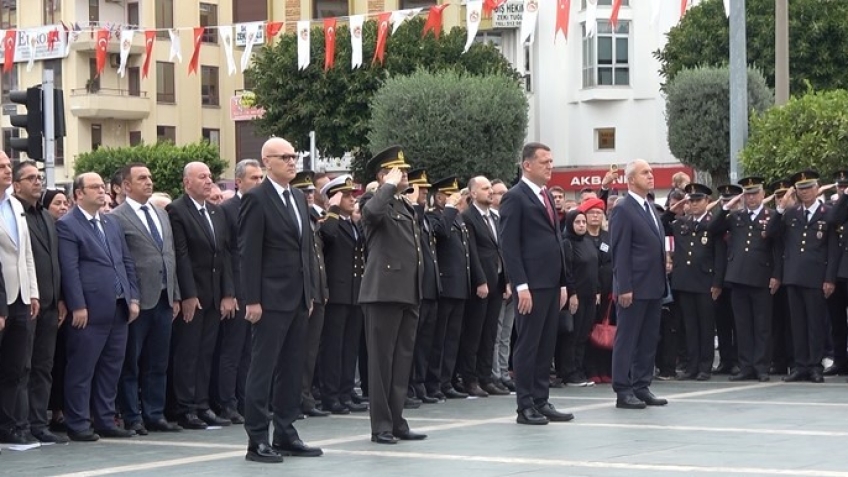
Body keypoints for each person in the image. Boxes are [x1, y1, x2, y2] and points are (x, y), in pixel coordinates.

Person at [240, 137, 322, 463]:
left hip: (298, 297)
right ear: (266, 162)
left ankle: (286, 432)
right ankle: (257, 439)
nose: (292, 162)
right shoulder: (256, 199)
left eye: (294, 156)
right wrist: (253, 299)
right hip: (269, 299)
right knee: (262, 370)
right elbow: (249, 253)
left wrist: (310, 292)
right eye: (285, 157)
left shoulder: (299, 198)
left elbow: (305, 250)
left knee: (292, 369)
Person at [56, 172, 140, 441]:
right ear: (78, 194)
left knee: (111, 366)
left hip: (118, 305)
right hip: (89, 309)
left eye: (102, 187)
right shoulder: (68, 225)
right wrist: (77, 305)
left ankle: (105, 419)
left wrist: (133, 297)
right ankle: (78, 422)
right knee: (82, 367)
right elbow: (69, 269)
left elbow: (125, 262)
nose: (102, 191)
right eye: (94, 187)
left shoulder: (110, 222)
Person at [499, 142, 573, 425]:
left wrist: (563, 283)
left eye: (552, 161)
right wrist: (520, 285)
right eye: (544, 161)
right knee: (528, 344)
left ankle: (541, 400)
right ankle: (525, 405)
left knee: (546, 344)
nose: (550, 166)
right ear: (527, 165)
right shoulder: (515, 197)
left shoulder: (545, 195)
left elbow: (556, 241)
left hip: (551, 283)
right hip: (531, 284)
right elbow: (509, 245)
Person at [358, 145, 427, 444]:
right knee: (381, 363)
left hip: (408, 290)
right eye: (400, 170)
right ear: (384, 175)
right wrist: (386, 186)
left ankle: (397, 420)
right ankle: (381, 426)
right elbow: (371, 214)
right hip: (383, 291)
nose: (406, 174)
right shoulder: (374, 201)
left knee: (401, 361)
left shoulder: (403, 205)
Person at [112, 163, 183, 435]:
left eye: (150, 177)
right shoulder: (117, 217)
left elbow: (170, 255)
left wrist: (175, 294)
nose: (149, 182)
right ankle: (133, 416)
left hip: (164, 298)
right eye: (142, 178)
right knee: (131, 362)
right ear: (126, 185)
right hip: (138, 301)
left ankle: (155, 413)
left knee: (158, 361)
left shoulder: (160, 214)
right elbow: (120, 260)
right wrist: (130, 297)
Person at [167, 162, 236, 430]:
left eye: (210, 176)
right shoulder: (177, 211)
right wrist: (188, 294)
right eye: (202, 177)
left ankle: (202, 403)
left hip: (215, 292)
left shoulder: (216, 212)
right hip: (193, 294)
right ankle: (185, 407)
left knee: (207, 352)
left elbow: (225, 254)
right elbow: (182, 255)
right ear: (187, 183)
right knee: (188, 352)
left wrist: (228, 292)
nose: (208, 181)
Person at [11, 162, 65, 444]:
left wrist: (61, 298)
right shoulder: (13, 213)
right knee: (23, 367)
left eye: (39, 177)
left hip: (50, 304)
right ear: (17, 185)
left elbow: (55, 260)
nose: (37, 182)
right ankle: (20, 424)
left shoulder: (45, 216)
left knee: (44, 366)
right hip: (25, 302)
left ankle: (38, 423)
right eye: (30, 178)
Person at [608, 159, 668, 410]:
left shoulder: (650, 207)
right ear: (631, 179)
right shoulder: (624, 208)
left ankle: (642, 385)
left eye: (651, 172)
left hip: (653, 285)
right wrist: (624, 286)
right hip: (633, 286)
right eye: (645, 173)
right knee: (628, 338)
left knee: (648, 338)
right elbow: (620, 251)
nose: (650, 176)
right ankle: (623, 388)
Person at [768, 170, 838, 383]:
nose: (805, 192)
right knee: (797, 325)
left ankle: (815, 366)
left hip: (816, 276)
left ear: (817, 188)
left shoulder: (828, 213)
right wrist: (780, 208)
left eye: (809, 188)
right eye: (801, 189)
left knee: (815, 324)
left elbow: (833, 249)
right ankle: (800, 365)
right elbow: (771, 233)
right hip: (793, 275)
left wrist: (830, 278)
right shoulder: (790, 213)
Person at [709, 177, 780, 382]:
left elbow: (777, 247)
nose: (751, 198)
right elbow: (713, 228)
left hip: (762, 277)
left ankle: (761, 366)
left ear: (762, 194)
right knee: (743, 326)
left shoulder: (771, 216)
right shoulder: (735, 217)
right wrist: (725, 208)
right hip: (738, 278)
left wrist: (776, 275)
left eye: (754, 193)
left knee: (762, 326)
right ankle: (746, 365)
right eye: (747, 194)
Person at [215, 159, 263, 423]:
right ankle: (228, 403)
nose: (258, 182)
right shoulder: (227, 209)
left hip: (257, 288)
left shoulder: (262, 205)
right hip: (237, 287)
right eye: (253, 178)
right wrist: (229, 292)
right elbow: (225, 253)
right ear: (239, 182)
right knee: (232, 351)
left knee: (251, 351)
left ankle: (246, 401)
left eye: (260, 178)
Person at [666, 183, 725, 381]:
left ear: (707, 201)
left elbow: (719, 256)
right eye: (690, 200)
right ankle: (692, 366)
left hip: (705, 282)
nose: (693, 204)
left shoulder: (712, 223)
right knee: (689, 327)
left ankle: (705, 366)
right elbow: (662, 223)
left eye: (698, 200)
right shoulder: (681, 222)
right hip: (685, 282)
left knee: (706, 326)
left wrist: (717, 283)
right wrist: (672, 209)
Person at [319, 175, 367, 414]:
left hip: (355, 293)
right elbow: (327, 236)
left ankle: (346, 391)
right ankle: (331, 394)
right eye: (346, 195)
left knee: (349, 347)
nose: (352, 200)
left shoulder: (352, 223)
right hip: (337, 294)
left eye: (352, 196)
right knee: (334, 347)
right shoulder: (331, 221)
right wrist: (334, 209)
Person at [0, 154, 39, 444]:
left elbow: (25, 253)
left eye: (7, 166)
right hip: (1, 296)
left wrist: (33, 291)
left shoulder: (15, 205)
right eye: (1, 167)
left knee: (15, 366)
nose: (6, 170)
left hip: (21, 296)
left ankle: (10, 425)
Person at [460, 176, 509, 396]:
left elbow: (501, 250)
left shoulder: (495, 217)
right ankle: (470, 379)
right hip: (480, 284)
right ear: (472, 193)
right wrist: (480, 280)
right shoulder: (468, 218)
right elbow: (471, 252)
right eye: (485, 188)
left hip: (497, 281)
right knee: (475, 332)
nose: (490, 192)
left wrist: (507, 280)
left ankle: (486, 376)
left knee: (490, 332)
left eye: (491, 188)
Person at [425, 177, 471, 401]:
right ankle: (434, 383)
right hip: (444, 284)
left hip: (459, 285)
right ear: (439, 197)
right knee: (439, 340)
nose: (454, 198)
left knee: (453, 338)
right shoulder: (435, 216)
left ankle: (447, 380)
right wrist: (451, 208)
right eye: (448, 194)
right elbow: (441, 233)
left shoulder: (456, 219)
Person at [490, 179, 515, 391]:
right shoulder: (490, 219)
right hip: (499, 283)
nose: (502, 197)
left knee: (507, 332)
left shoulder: (508, 218)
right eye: (498, 193)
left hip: (513, 283)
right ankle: (494, 373)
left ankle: (504, 371)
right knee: (496, 333)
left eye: (505, 193)